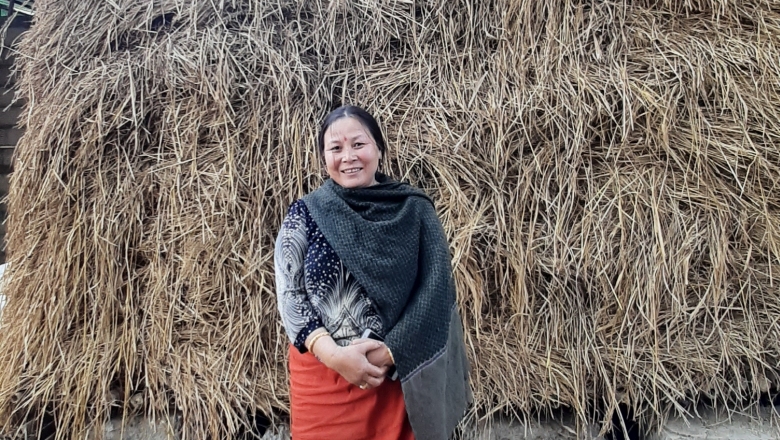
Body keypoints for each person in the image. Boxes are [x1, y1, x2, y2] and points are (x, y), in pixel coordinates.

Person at [274, 105, 471, 440]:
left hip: (397, 378)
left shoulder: (414, 209)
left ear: (378, 148)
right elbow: (290, 294)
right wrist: (336, 357)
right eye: (335, 148)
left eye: (358, 144)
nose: (348, 156)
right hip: (325, 382)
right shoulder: (307, 213)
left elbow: (436, 289)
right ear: (324, 157)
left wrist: (389, 352)